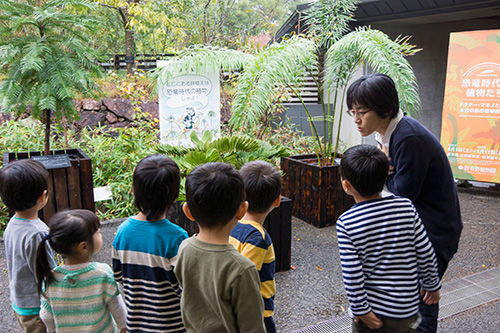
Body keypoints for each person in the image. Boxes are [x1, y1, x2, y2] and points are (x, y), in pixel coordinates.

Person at [346, 73, 462, 332]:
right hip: (416, 223)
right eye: (352, 111)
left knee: (423, 301)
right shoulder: (387, 132)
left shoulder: (408, 138)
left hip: (434, 228)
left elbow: (402, 195)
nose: (356, 119)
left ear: (386, 109)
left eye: (362, 112)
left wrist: (387, 175)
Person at [337, 144, 441, 333]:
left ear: (346, 185)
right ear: (386, 176)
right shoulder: (405, 207)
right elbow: (425, 251)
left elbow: (352, 274)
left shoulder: (347, 223)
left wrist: (362, 310)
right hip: (406, 311)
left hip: (373, 314)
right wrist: (431, 285)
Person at [175, 162, 266, 333]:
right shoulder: (242, 269)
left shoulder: (184, 248)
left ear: (188, 211)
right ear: (242, 211)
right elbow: (253, 328)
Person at [112, 154, 188, 332]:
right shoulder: (176, 238)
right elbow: (186, 288)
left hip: (136, 326)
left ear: (133, 190)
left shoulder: (123, 232)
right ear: (175, 195)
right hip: (172, 327)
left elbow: (118, 276)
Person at [35, 209, 126, 333]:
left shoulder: (51, 279)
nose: (101, 235)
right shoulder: (102, 273)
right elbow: (119, 312)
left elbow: (46, 316)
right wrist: (123, 329)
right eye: (98, 233)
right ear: (83, 246)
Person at [0, 159, 57, 333]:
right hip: (37, 308)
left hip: (20, 302)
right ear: (43, 196)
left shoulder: (13, 224)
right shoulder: (38, 233)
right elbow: (48, 274)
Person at [229, 161, 281, 333]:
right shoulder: (258, 238)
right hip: (257, 314)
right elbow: (246, 280)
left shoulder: (231, 226)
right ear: (277, 200)